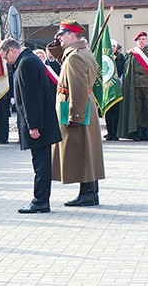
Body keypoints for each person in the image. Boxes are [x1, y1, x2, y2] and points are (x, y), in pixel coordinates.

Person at [0, 38, 61, 214]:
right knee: (40, 162)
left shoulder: (25, 63)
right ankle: (41, 199)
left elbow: (31, 97)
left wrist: (33, 125)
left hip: (37, 124)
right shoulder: (28, 59)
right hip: (41, 122)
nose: (6, 61)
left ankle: (40, 200)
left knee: (41, 164)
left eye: (5, 57)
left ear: (12, 50)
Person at [47, 20, 105, 207]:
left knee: (81, 152)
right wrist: (57, 46)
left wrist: (75, 116)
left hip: (77, 106)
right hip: (83, 106)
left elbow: (78, 88)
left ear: (72, 36)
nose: (59, 38)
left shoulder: (75, 57)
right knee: (87, 151)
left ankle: (87, 193)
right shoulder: (82, 52)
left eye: (62, 35)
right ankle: (90, 192)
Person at [119, 31, 148, 141]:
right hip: (135, 85)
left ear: (146, 40)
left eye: (143, 39)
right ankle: (140, 131)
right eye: (139, 39)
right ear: (136, 41)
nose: (141, 41)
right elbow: (126, 70)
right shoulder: (131, 53)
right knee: (137, 109)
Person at [104, 39, 125, 141]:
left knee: (116, 112)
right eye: (111, 46)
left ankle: (116, 133)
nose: (112, 48)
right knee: (108, 112)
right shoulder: (104, 57)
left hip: (117, 87)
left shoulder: (121, 58)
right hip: (107, 88)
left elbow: (123, 71)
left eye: (114, 46)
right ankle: (109, 132)